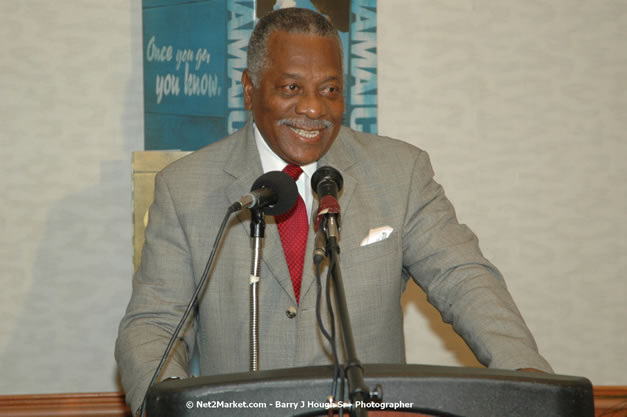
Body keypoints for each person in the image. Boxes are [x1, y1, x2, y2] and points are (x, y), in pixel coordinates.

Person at [115, 7, 552, 413]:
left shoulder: (400, 173)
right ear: (250, 89)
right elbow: (154, 325)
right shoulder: (186, 187)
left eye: (330, 90)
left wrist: (525, 376)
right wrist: (168, 407)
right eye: (291, 88)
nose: (313, 108)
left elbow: (463, 277)